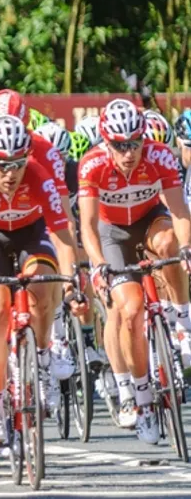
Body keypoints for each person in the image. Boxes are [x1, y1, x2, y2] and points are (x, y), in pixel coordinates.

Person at [0, 114, 80, 446]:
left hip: (31, 234)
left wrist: (71, 283)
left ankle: (41, 357)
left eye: (17, 164)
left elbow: (65, 238)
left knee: (40, 286)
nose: (9, 174)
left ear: (28, 158)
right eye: (1, 165)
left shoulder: (41, 179)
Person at [80, 99, 191, 442]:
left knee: (170, 245)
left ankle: (183, 321)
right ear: (106, 142)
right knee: (129, 311)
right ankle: (141, 399)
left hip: (149, 220)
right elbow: (86, 226)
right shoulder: (92, 165)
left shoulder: (159, 156)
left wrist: (187, 251)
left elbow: (179, 211)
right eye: (119, 145)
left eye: (135, 142)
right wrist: (98, 265)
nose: (129, 152)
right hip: (112, 234)